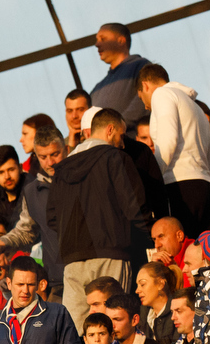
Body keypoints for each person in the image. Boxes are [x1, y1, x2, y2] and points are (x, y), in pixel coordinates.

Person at [50, 110, 146, 332]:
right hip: (111, 253)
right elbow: (135, 207)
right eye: (121, 136)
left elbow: (52, 217)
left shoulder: (62, 168)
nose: (122, 143)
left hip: (73, 259)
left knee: (75, 332)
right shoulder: (116, 158)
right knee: (114, 326)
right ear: (110, 129)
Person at [136, 65, 210, 239]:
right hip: (206, 190)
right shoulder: (196, 108)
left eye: (142, 98)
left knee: (181, 256)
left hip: (180, 188)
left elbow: (167, 142)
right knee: (199, 258)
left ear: (145, 85)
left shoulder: (161, 95)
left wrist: (151, 181)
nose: (146, 106)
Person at [87, 24, 152, 126]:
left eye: (103, 39)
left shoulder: (141, 66)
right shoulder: (97, 89)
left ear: (121, 41)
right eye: (97, 40)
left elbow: (144, 101)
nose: (97, 44)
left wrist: (117, 126)